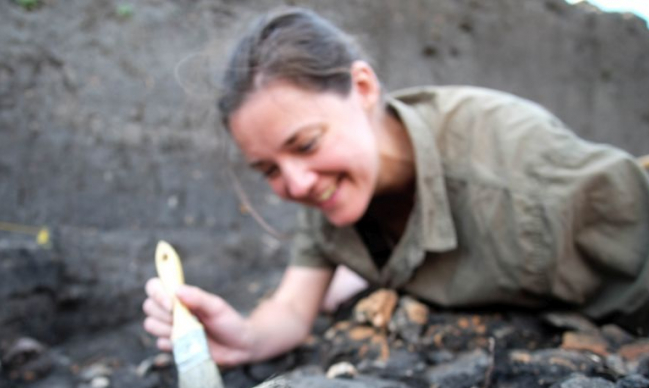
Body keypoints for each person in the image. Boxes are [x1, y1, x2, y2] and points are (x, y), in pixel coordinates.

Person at [143, 7, 649, 367]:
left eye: (306, 144)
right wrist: (245, 336)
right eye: (268, 170)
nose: (295, 182)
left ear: (362, 89)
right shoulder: (328, 194)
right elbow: (294, 308)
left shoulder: (519, 167)